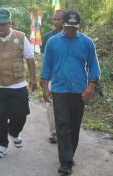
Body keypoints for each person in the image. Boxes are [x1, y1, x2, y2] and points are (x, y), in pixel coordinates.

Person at [41, 11, 100, 174]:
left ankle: (69, 155)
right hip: (59, 89)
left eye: (74, 28)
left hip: (79, 91)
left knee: (74, 125)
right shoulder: (52, 42)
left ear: (78, 27)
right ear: (63, 25)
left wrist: (90, 86)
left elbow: (94, 67)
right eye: (68, 28)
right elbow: (46, 67)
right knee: (62, 124)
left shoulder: (87, 43)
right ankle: (65, 161)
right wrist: (45, 88)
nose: (70, 31)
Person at [0, 8, 37, 158]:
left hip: (18, 85)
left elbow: (30, 59)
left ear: (10, 23)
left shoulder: (21, 37)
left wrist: (33, 79)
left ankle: (13, 131)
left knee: (21, 114)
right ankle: (1, 144)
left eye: (3, 24)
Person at [40, 9, 65, 144]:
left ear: (65, 20)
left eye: (58, 19)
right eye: (54, 19)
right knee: (51, 104)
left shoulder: (73, 36)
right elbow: (45, 60)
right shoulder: (48, 37)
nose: (56, 22)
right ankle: (54, 132)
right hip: (51, 77)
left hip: (67, 78)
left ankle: (66, 130)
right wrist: (43, 78)